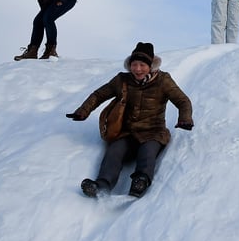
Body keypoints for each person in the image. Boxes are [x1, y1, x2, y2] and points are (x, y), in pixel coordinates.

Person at [67, 42, 193, 198]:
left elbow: (183, 101)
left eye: (142, 65)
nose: (137, 69)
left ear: (151, 65)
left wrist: (185, 118)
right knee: (114, 152)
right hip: (127, 132)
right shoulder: (122, 80)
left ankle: (141, 180)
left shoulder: (163, 80)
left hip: (153, 132)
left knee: (147, 152)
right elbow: (99, 94)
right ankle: (102, 185)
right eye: (134, 64)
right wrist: (83, 111)